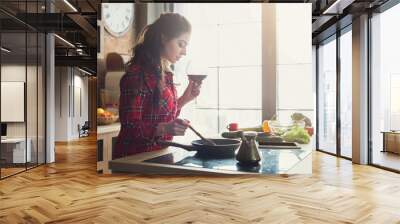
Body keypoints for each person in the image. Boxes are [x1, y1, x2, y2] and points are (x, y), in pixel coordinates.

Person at [113, 13, 201, 159]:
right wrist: (165, 128)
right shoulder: (137, 75)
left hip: (157, 155)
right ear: (164, 38)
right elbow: (130, 127)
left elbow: (161, 115)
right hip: (133, 160)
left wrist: (185, 99)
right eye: (181, 44)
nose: (184, 52)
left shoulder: (165, 73)